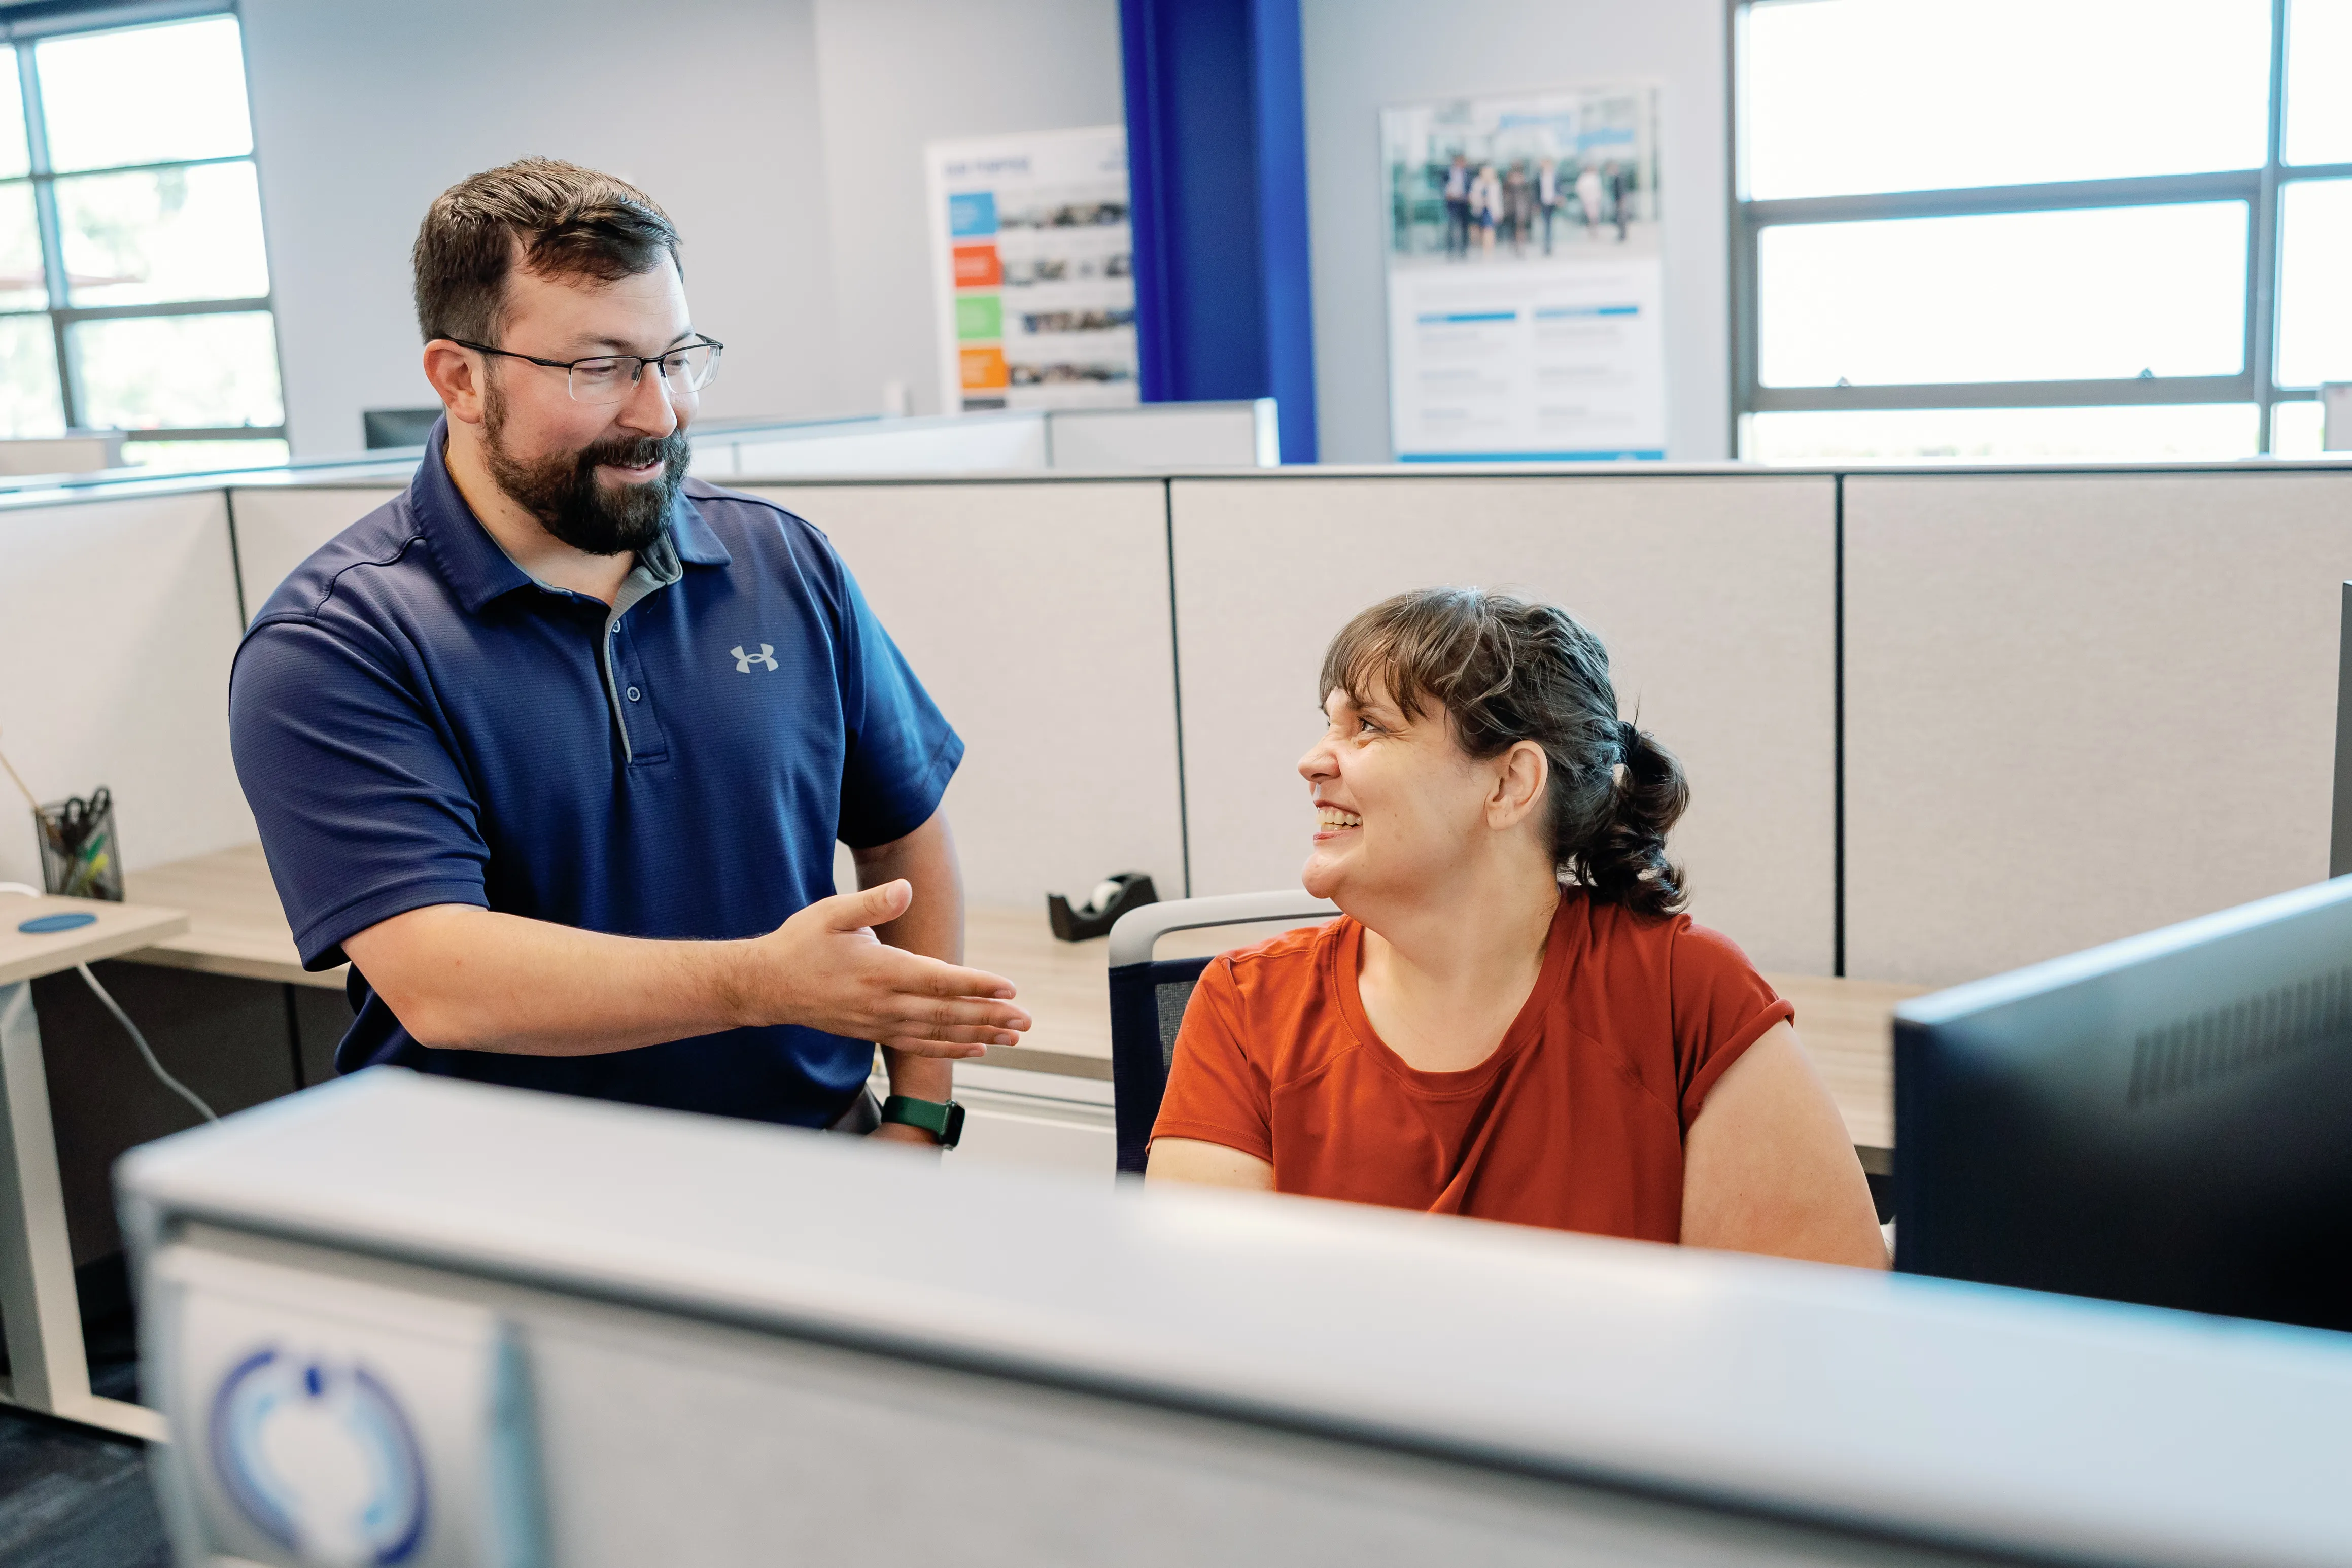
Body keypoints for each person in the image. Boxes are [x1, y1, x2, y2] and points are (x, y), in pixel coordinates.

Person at [228, 159, 1028, 1146]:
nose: (660, 411)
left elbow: (904, 831)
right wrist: (757, 983)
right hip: (510, 1217)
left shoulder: (780, 560)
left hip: (819, 1166)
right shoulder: (338, 640)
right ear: (459, 378)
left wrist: (916, 1108)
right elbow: (444, 983)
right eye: (598, 367)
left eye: (676, 356)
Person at [1147, 589, 1887, 1269]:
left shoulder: (1682, 992)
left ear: (1510, 784)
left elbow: (1818, 1331)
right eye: (1330, 724)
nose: (1311, 761)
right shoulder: (1245, 1005)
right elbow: (1206, 1332)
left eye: (1368, 726)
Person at [1441, 154, 1471, 258]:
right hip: (1452, 203)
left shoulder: (1468, 173)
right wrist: (1447, 194)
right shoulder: (1448, 173)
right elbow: (1442, 186)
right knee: (1452, 227)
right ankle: (1450, 250)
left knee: (1464, 227)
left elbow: (1470, 187)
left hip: (1464, 203)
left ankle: (1464, 250)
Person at [1471, 163, 1502, 258]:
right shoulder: (1477, 183)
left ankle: (1488, 248)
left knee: (1489, 229)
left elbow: (1498, 199)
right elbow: (1473, 196)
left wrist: (1500, 212)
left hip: (1490, 210)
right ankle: (1483, 246)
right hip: (1480, 209)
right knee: (1480, 231)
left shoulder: (1495, 183)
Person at [1536, 157, 1561, 255]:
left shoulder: (1556, 176)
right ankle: (1547, 245)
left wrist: (1559, 197)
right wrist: (1536, 204)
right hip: (1543, 203)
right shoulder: (1539, 177)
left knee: (1550, 224)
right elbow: (1536, 191)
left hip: (1553, 202)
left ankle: (1549, 244)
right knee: (1546, 224)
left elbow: (1559, 188)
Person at [1576, 162, 1605, 240]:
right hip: (1587, 200)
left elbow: (1599, 189)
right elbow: (1579, 189)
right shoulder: (1583, 178)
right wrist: (1584, 198)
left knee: (1595, 216)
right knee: (1591, 216)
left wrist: (1599, 198)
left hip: (1595, 200)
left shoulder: (1596, 177)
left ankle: (1595, 231)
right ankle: (1591, 231)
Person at [1606, 160, 1631, 242]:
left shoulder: (1619, 177)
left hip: (1620, 201)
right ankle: (1622, 235)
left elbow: (1621, 190)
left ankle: (1622, 236)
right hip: (1619, 201)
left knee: (1621, 218)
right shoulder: (1617, 177)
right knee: (1620, 218)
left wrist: (1621, 201)